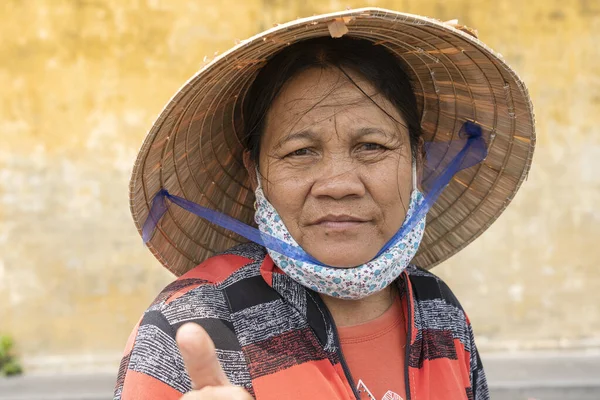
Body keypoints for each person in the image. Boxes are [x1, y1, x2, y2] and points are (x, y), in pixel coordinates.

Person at [114, 8, 535, 400]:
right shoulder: (189, 324)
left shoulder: (437, 307)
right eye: (300, 151)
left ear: (417, 163)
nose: (339, 185)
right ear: (254, 172)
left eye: (372, 146)